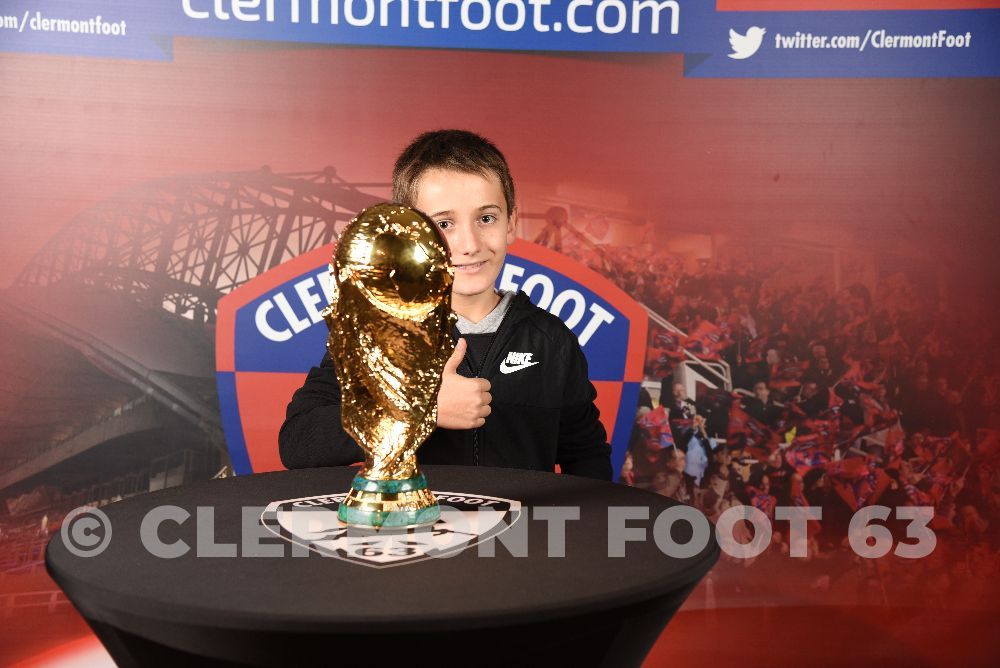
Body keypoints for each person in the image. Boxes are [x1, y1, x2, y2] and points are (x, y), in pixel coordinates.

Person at [279, 130, 612, 479]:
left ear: (512, 223)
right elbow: (298, 441)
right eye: (444, 224)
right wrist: (421, 410)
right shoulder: (377, 335)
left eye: (486, 218)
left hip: (523, 518)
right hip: (415, 518)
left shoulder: (552, 340)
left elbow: (587, 457)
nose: (469, 244)